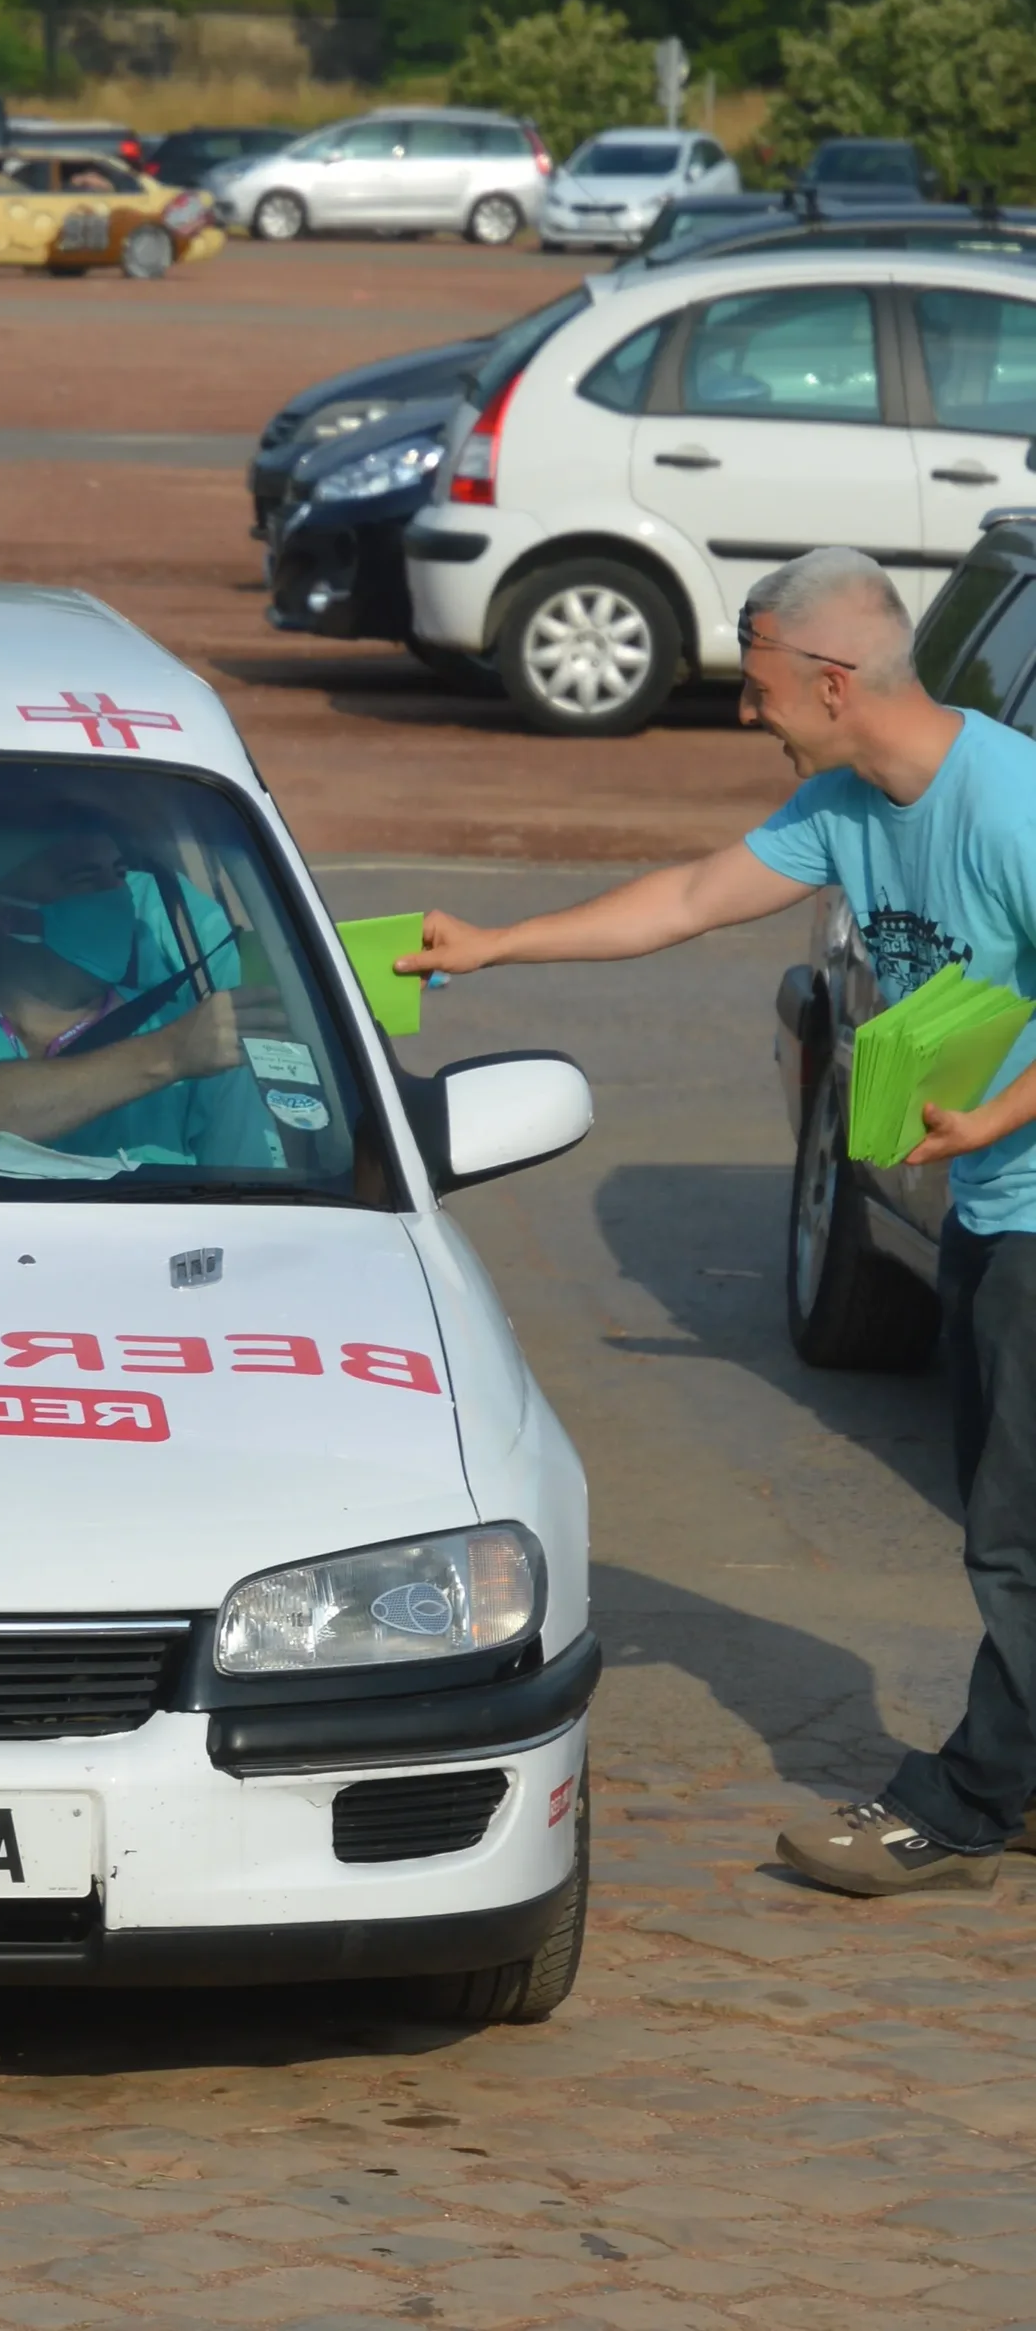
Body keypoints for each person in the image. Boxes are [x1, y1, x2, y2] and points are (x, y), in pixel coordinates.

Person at [405, 547, 1036, 1896]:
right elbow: (689, 899)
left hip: (1028, 1212)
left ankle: (972, 1800)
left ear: (828, 678)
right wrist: (498, 943)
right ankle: (1013, 1773)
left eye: (755, 687)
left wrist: (994, 1120)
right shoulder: (846, 804)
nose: (746, 712)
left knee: (1013, 1534)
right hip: (991, 1211)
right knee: (1013, 1521)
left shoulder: (1012, 801)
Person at [0, 827, 279, 1166]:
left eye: (119, 873)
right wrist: (169, 1056)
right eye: (85, 878)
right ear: (6, 915)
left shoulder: (195, 1031)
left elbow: (257, 1198)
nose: (117, 895)